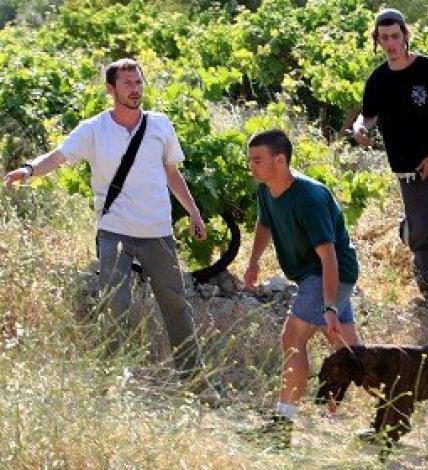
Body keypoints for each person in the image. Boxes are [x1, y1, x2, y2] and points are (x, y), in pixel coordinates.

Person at [3, 58, 219, 405]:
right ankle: (109, 387)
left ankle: (195, 383)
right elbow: (57, 157)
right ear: (111, 89)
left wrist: (194, 212)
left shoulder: (160, 124)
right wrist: (28, 170)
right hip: (114, 231)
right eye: (127, 83)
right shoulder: (93, 130)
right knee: (115, 306)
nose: (135, 89)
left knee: (176, 307)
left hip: (157, 231)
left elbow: (171, 172)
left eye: (139, 82)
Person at [243, 128, 361, 448]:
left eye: (257, 160)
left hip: (326, 273)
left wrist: (330, 305)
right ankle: (394, 405)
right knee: (350, 350)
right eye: (249, 159)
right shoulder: (267, 190)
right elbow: (264, 224)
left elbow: (329, 257)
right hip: (313, 274)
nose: (250, 166)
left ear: (280, 160)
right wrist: (253, 262)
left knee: (292, 338)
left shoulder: (310, 197)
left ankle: (282, 426)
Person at [352, 8, 428, 314]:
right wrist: (359, 128)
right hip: (409, 169)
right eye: (384, 38)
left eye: (395, 36)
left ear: (405, 35)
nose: (390, 43)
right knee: (419, 235)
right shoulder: (378, 79)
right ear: (377, 40)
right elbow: (368, 115)